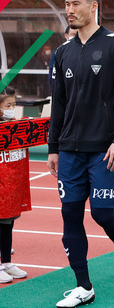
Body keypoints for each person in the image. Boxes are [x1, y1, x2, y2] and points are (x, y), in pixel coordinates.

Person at [47, 0, 114, 307]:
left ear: (93, 6)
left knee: (101, 213)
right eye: (67, 4)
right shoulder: (62, 53)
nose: (69, 10)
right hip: (69, 149)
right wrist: (53, 147)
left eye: (76, 4)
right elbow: (58, 104)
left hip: (103, 148)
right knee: (70, 215)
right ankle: (83, 286)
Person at [0, 86, 30, 284]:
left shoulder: (16, 127)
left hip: (11, 185)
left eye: (14, 104)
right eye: (8, 105)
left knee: (8, 222)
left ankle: (7, 261)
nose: (12, 109)